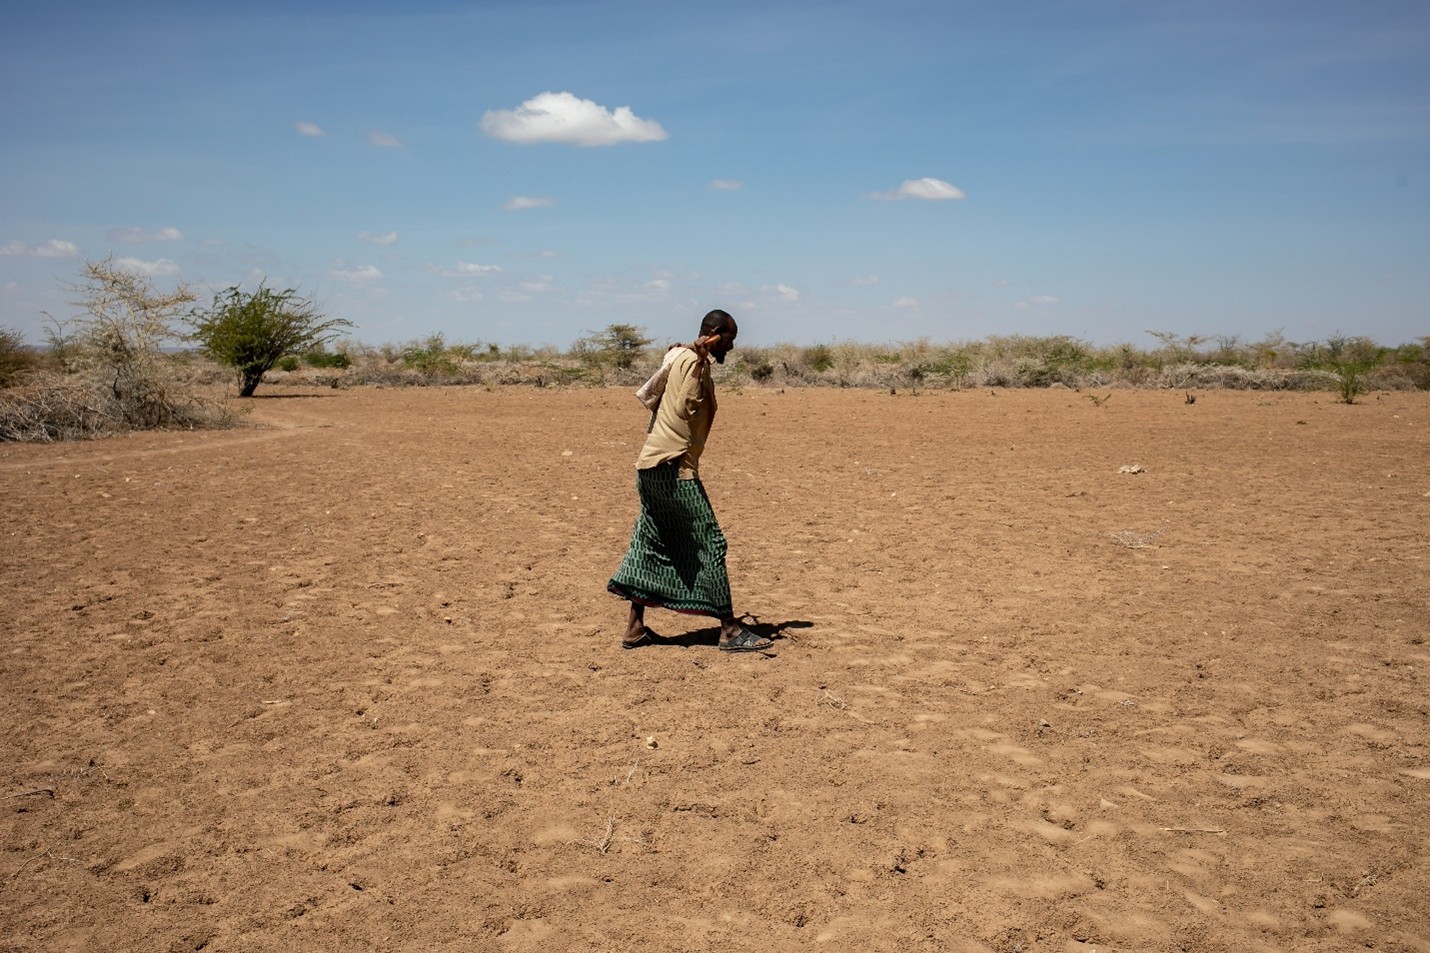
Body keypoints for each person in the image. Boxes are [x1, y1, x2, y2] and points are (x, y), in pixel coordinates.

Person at [607, 309, 773, 653]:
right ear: (715, 334)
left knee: (652, 538)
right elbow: (686, 406)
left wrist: (695, 356)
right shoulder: (692, 362)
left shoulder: (680, 355)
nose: (731, 347)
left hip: (650, 466)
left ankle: (635, 628)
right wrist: (698, 365)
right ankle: (729, 630)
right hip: (674, 466)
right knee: (712, 542)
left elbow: (669, 374)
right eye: (729, 339)